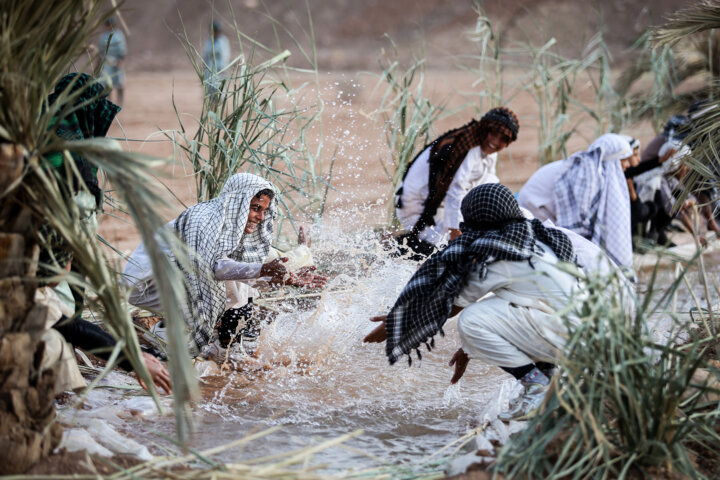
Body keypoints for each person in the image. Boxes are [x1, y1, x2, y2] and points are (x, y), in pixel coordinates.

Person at [365, 183, 580, 420]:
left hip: (559, 333)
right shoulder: (536, 238)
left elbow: (452, 304)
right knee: (508, 308)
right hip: (578, 334)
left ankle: (536, 386)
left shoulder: (498, 251)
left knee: (471, 320)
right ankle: (549, 382)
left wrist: (401, 321)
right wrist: (471, 348)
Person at [39, 73, 171, 393]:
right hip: (44, 289)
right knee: (62, 369)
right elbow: (61, 298)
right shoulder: (74, 167)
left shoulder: (37, 144)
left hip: (47, 276)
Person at [122, 173, 326, 358]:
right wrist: (263, 271)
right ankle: (212, 343)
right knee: (237, 281)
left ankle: (180, 332)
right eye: (255, 208)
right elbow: (214, 268)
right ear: (239, 201)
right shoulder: (204, 221)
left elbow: (266, 258)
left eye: (264, 210)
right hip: (146, 286)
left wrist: (290, 271)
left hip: (171, 281)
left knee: (255, 267)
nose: (261, 217)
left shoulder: (230, 224)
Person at [393, 107, 520, 258]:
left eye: (503, 139)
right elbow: (455, 192)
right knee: (448, 250)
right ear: (484, 128)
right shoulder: (467, 149)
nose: (495, 141)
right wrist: (455, 234)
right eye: (493, 133)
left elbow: (490, 185)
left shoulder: (487, 151)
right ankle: (399, 248)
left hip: (437, 206)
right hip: (416, 207)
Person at [518, 133, 635, 271]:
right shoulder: (586, 172)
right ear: (612, 158)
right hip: (536, 209)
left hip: (548, 210)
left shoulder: (595, 170)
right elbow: (578, 216)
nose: (628, 164)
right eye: (624, 159)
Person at [97, 16, 127, 106]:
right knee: (107, 82)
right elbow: (101, 50)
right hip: (106, 61)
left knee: (119, 82)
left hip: (117, 61)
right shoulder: (103, 36)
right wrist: (98, 63)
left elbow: (122, 48)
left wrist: (121, 59)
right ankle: (108, 101)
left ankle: (120, 102)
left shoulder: (118, 35)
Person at [202, 20, 230, 104]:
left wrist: (224, 68)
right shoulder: (209, 41)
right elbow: (205, 54)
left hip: (220, 70)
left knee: (219, 93)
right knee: (209, 94)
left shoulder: (223, 41)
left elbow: (225, 55)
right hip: (210, 70)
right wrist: (204, 67)